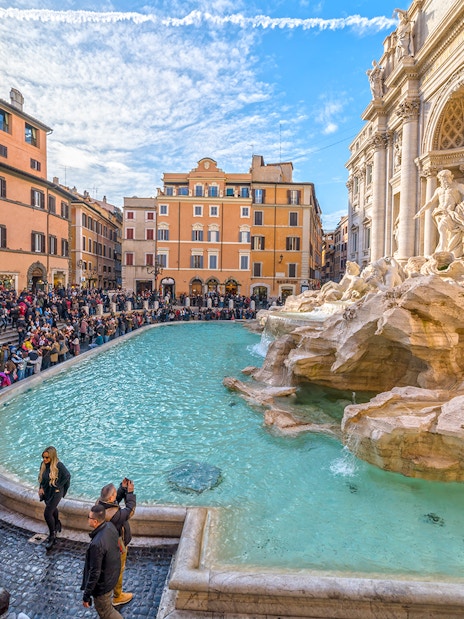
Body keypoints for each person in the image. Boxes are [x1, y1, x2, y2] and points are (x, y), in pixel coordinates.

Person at [97, 478, 136, 607]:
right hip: (117, 544)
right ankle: (118, 596)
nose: (116, 496)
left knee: (107, 566)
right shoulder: (114, 516)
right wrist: (130, 493)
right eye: (114, 493)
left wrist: (122, 489)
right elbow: (130, 510)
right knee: (119, 569)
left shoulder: (99, 504)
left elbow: (114, 502)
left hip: (106, 542)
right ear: (110, 498)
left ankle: (106, 589)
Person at [81, 504, 123, 619]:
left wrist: (86, 596)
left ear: (94, 521)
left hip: (103, 586)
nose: (88, 519)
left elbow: (95, 572)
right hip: (112, 576)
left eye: (88, 517)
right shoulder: (110, 526)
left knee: (107, 612)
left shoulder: (96, 544)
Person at [414, 169, 464, 257]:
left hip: (451, 213)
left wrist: (460, 208)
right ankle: (446, 249)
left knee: (442, 227)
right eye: (442, 178)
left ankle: (442, 250)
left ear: (451, 177)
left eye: (446, 177)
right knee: (444, 231)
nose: (445, 180)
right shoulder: (439, 190)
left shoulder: (457, 186)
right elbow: (430, 201)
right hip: (439, 213)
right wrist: (421, 211)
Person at [38, 446, 71, 550]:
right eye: (43, 457)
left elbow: (67, 476)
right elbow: (41, 478)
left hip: (56, 492)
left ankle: (52, 535)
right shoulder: (43, 465)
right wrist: (40, 488)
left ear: (52, 457)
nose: (45, 459)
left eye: (47, 457)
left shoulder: (59, 465)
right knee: (52, 509)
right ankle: (57, 522)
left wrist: (59, 487)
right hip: (47, 490)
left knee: (47, 513)